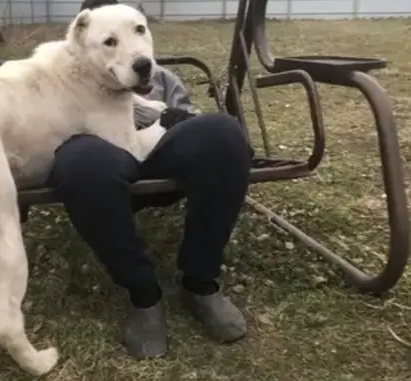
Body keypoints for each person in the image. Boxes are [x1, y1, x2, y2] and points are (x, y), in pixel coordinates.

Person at [47, 0, 254, 359]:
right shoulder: (63, 79)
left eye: (138, 29)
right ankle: (144, 293)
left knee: (222, 131)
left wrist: (172, 117)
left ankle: (200, 282)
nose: (132, 47)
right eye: (110, 39)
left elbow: (188, 119)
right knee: (78, 160)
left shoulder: (160, 77)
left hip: (160, 157)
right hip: (101, 166)